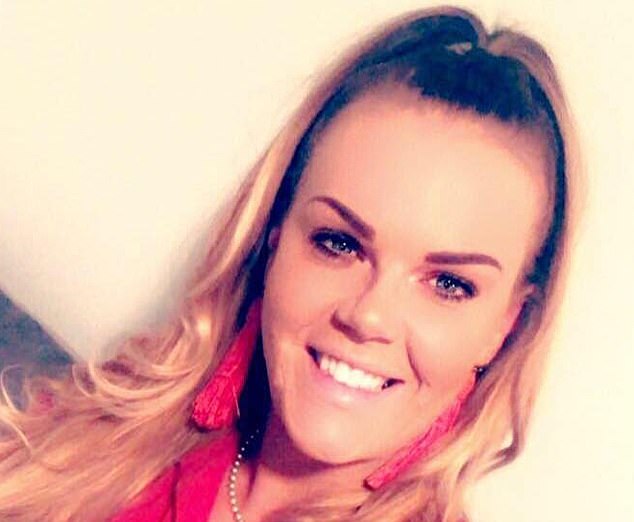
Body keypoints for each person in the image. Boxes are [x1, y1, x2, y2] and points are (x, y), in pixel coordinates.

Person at [0, 5, 577, 522]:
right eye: (339, 243)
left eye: (448, 284)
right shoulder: (106, 424)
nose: (369, 316)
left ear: (505, 326)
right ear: (276, 235)